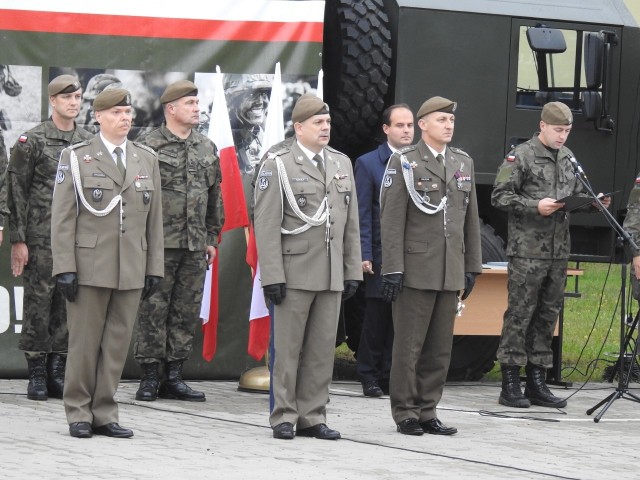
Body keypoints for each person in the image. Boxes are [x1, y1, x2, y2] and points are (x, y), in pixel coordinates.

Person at [51, 88, 164, 438]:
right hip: (90, 266)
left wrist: (154, 268)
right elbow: (62, 218)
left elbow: (154, 220)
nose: (125, 118)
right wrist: (64, 266)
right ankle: (78, 412)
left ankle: (104, 411)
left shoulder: (146, 158)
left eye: (128, 112)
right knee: (84, 345)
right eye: (116, 112)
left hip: (130, 267)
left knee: (116, 346)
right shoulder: (77, 157)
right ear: (98, 116)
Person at [253, 93, 362, 440]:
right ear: (299, 127)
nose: (325, 127)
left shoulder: (341, 163)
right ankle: (284, 415)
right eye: (318, 122)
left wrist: (351, 270)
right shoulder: (279, 164)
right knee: (286, 350)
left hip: (329, 272)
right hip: (293, 271)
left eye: (327, 122)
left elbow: (350, 223)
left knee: (320, 351)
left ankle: (313, 415)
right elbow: (266, 224)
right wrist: (272, 275)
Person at [491, 101, 610, 409]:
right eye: (558, 130)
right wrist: (536, 205)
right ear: (543, 125)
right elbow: (500, 195)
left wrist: (591, 202)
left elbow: (570, 193)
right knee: (520, 314)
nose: (562, 136)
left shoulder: (568, 157)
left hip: (558, 251)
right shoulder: (523, 155)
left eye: (567, 131)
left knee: (547, 315)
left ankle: (537, 381)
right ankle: (510, 382)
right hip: (528, 250)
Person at [380, 96, 481, 436]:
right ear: (422, 125)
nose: (449, 125)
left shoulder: (462, 162)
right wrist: (392, 267)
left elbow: (470, 220)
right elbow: (391, 220)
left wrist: (472, 266)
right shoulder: (405, 162)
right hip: (415, 268)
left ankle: (428, 410)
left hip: (449, 269)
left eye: (451, 120)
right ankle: (406, 412)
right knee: (409, 347)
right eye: (441, 120)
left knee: (439, 348)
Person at [133, 80, 224, 403]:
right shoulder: (148, 145)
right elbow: (136, 196)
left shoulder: (206, 147)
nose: (197, 108)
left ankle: (173, 376)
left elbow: (215, 196)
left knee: (185, 311)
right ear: (171, 109)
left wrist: (211, 237)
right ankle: (148, 377)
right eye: (190, 104)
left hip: (194, 244)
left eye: (197, 104)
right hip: (158, 244)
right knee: (153, 309)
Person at [7, 75, 93, 401]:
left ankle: (58, 370)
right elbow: (16, 191)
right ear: (53, 101)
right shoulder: (33, 141)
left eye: (78, 97)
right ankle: (37, 373)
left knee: (68, 303)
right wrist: (18, 239)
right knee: (38, 303)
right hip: (41, 236)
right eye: (66, 97)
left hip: (76, 238)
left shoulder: (87, 142)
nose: (73, 102)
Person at [354, 103, 414, 397]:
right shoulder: (368, 164)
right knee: (377, 317)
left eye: (410, 125)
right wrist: (364, 253)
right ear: (386, 129)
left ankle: (392, 374)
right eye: (400, 125)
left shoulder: (418, 161)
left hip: (411, 254)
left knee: (401, 319)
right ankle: (368, 373)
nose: (406, 131)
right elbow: (363, 212)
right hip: (380, 253)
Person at [224, 74, 271, 174]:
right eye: (251, 95)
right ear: (232, 101)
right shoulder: (218, 137)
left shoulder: (265, 136)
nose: (260, 102)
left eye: (264, 94)